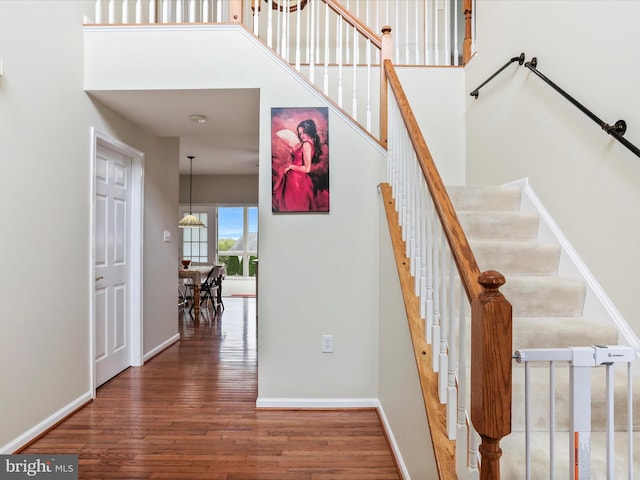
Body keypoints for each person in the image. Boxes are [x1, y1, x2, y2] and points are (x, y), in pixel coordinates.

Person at [272, 119, 323, 212]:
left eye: (304, 132)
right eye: (300, 133)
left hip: (297, 180)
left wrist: (291, 166)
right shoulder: (306, 143)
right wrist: (289, 148)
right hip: (294, 177)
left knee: (290, 204)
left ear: (310, 131)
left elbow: (307, 168)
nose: (301, 135)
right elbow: (298, 155)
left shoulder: (306, 144)